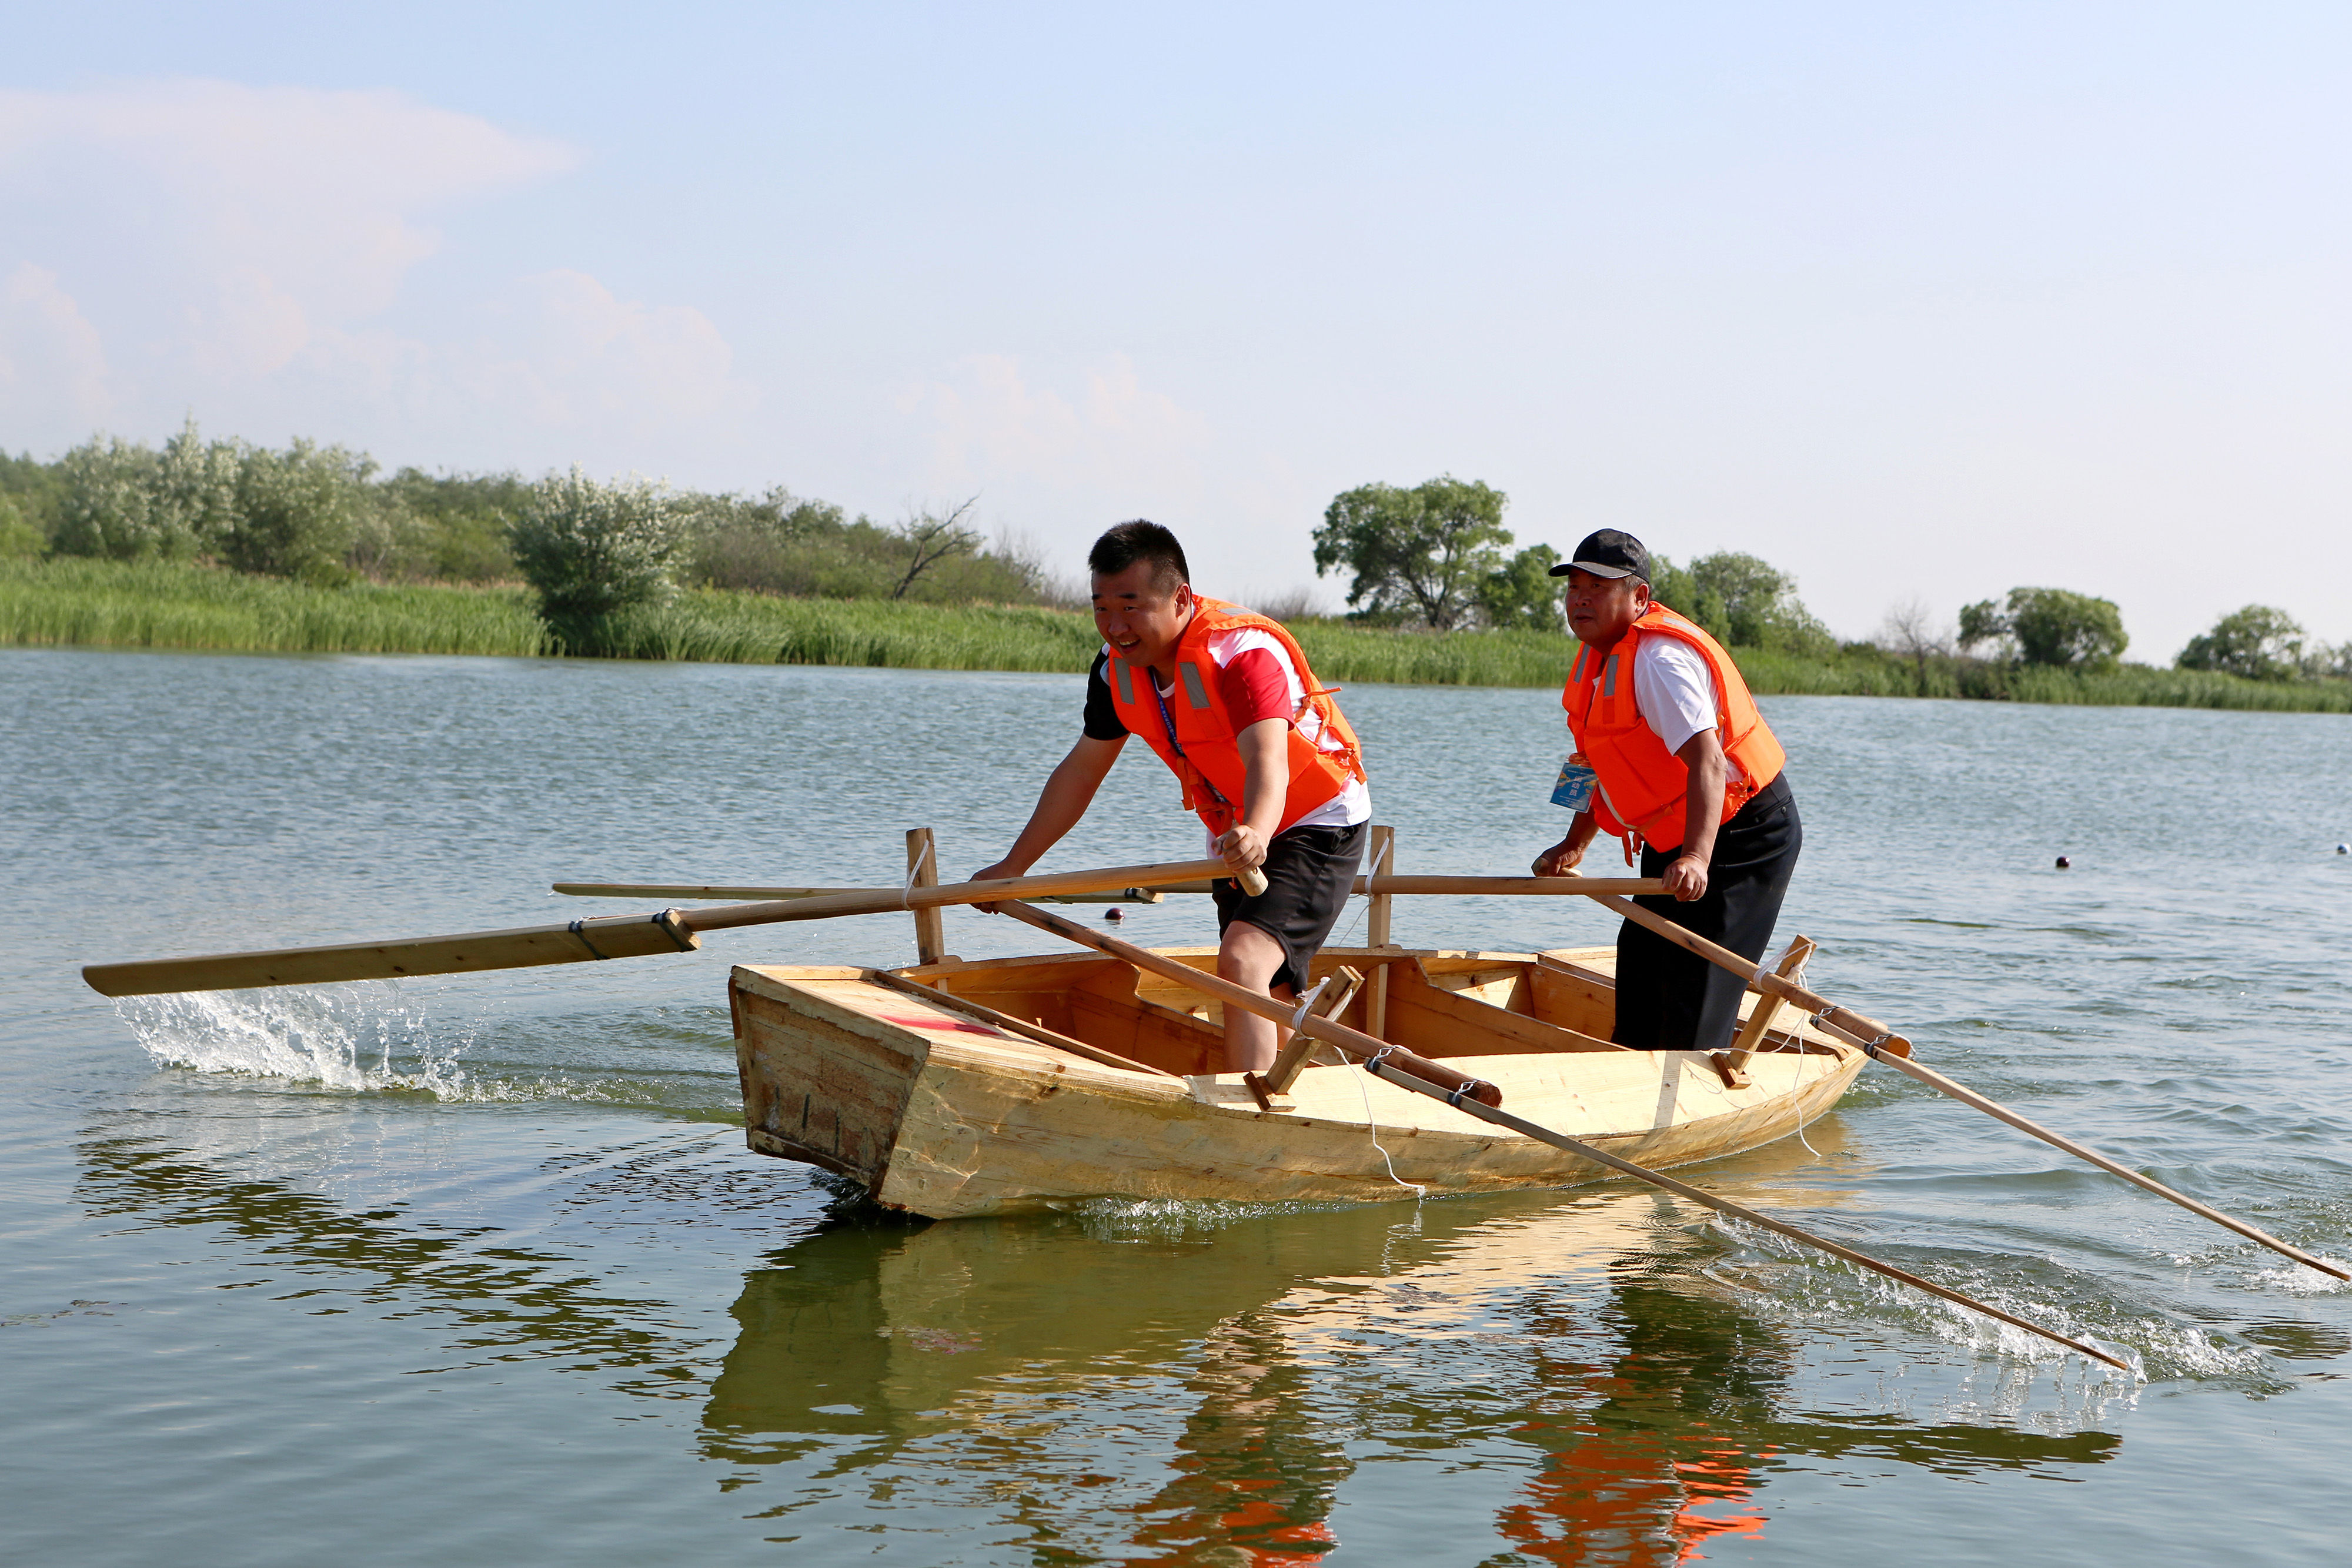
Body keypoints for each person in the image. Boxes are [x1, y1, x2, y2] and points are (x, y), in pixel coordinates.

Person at [971, 520, 1371, 1074]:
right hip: (1235, 827)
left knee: (1243, 958)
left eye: (1132, 607)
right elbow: (1081, 773)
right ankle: (1283, 1101)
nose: (1115, 627)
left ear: (1181, 597)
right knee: (1268, 984)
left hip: (1316, 819)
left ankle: (1248, 1118)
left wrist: (1257, 830)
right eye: (1101, 608)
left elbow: (1267, 762)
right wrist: (1012, 867)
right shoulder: (1114, 672)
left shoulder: (1242, 653)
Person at [1529, 529, 1800, 1053]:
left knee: (1696, 978)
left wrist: (1698, 857)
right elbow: (1593, 761)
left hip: (1741, 833)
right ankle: (1631, 1075)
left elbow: (1709, 761)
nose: (1581, 598)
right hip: (1674, 834)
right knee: (1642, 966)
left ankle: (1695, 1077)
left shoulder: (1659, 661)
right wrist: (1573, 843)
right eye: (1574, 587)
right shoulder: (1594, 659)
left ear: (1638, 599)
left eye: (1598, 587)